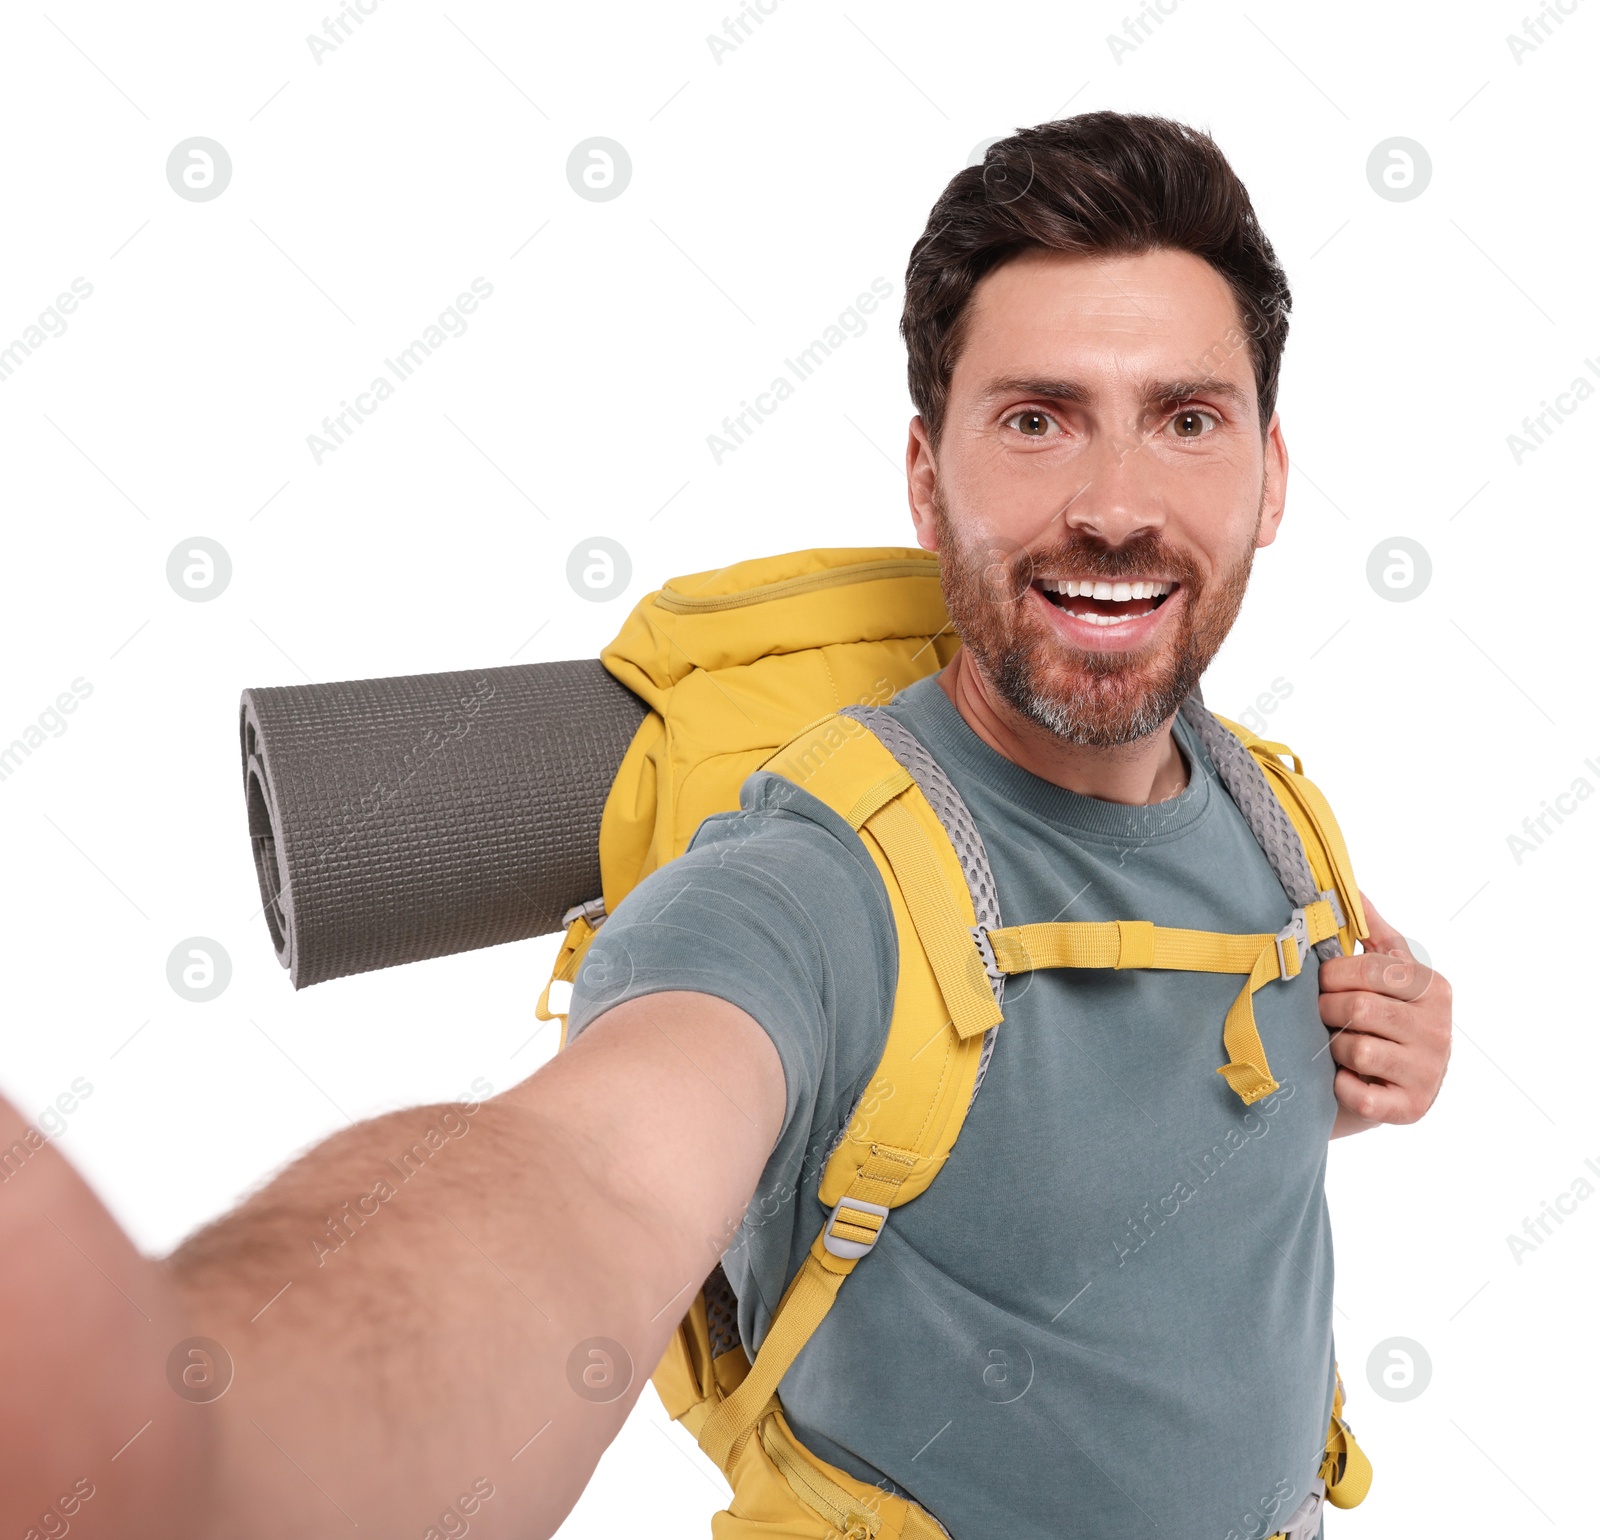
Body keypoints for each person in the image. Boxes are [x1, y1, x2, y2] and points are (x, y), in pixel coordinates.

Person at [0, 112, 1451, 1540]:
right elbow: (595, 1176)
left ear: (1268, 477)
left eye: (1186, 420)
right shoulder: (817, 884)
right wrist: (219, 1453)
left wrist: (1399, 1036)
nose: (1117, 503)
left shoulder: (1271, 811)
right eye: (1035, 419)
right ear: (927, 486)